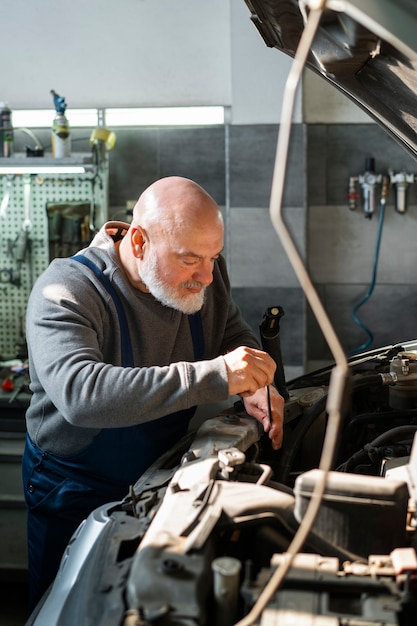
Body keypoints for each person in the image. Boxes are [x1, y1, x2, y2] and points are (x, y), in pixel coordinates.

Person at [22, 175, 284, 611]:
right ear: (139, 242)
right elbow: (82, 394)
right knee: (68, 608)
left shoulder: (204, 271)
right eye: (189, 261)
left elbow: (228, 331)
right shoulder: (67, 290)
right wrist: (219, 375)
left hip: (159, 476)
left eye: (214, 257)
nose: (206, 274)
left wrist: (256, 382)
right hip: (73, 486)